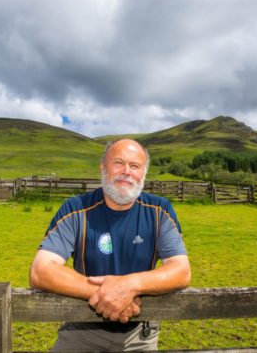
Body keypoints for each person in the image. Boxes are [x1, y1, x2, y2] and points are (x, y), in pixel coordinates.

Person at [29, 139, 191, 352]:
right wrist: (109, 294)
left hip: (140, 334)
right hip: (82, 328)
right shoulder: (76, 208)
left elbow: (181, 271)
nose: (126, 171)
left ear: (143, 173)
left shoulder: (159, 210)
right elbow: (41, 271)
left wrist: (130, 285)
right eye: (118, 163)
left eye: (135, 166)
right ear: (103, 167)